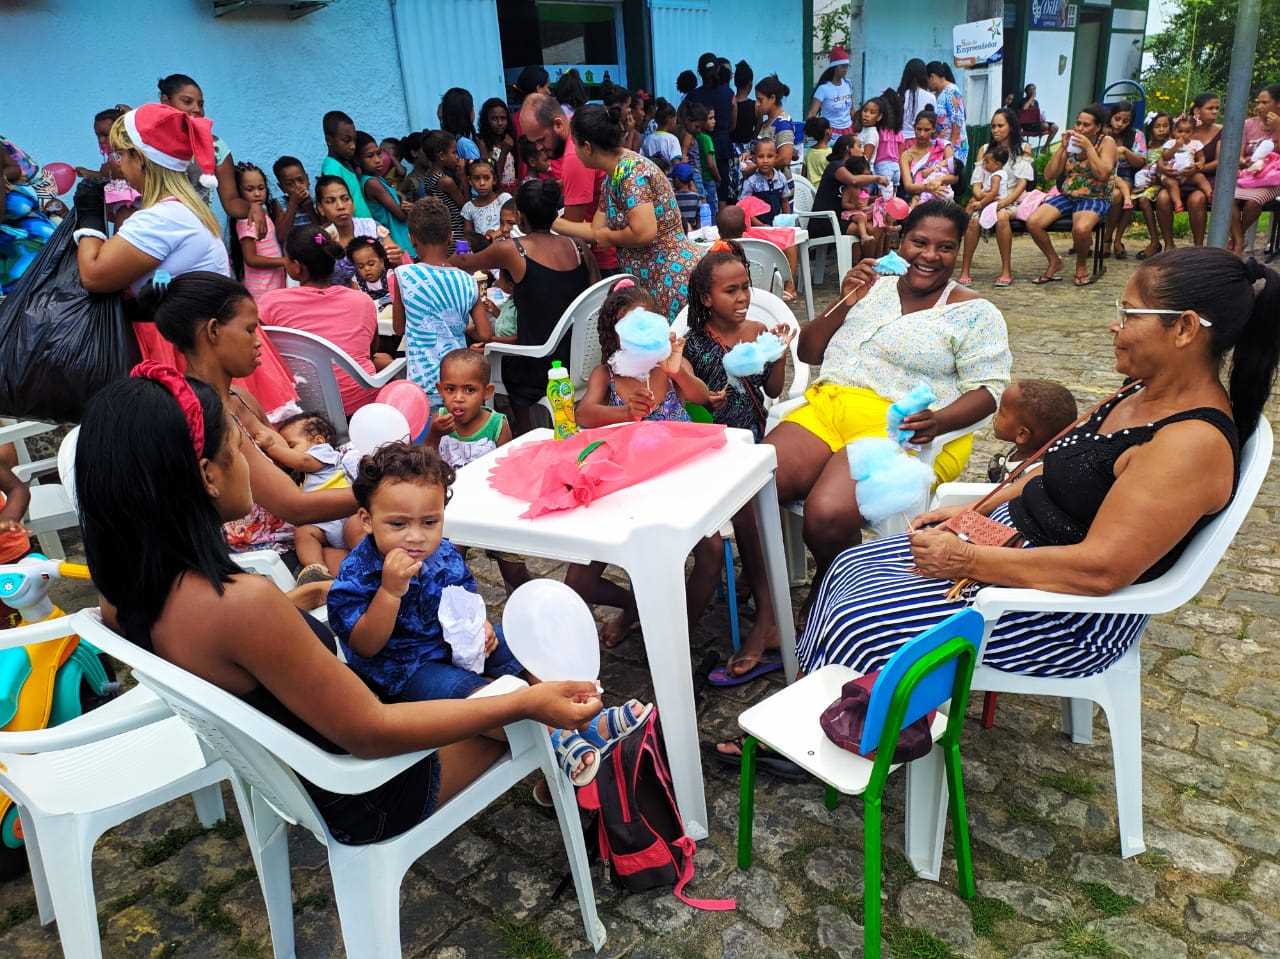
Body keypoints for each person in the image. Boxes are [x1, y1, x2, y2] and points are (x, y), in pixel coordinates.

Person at [77, 369, 602, 846]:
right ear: (206, 475)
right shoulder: (242, 607)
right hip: (370, 790)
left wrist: (294, 604)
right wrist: (522, 705)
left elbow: (231, 654)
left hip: (297, 778)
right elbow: (370, 731)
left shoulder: (127, 593)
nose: (248, 467)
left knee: (481, 674)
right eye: (238, 451)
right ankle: (583, 753)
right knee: (514, 701)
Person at [790, 249, 1278, 708]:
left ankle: (844, 726)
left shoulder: (1189, 444)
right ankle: (833, 702)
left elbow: (1100, 570)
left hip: (1063, 614)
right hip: (1018, 549)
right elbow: (1061, 466)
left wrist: (967, 558)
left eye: (1129, 315)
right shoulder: (1141, 391)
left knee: (862, 618)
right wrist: (973, 512)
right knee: (850, 568)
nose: (1115, 325)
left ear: (1185, 328)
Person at [766, 200, 1011, 582]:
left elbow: (988, 390)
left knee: (827, 514)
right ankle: (770, 603)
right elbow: (808, 351)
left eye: (945, 247)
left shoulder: (976, 312)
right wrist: (845, 300)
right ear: (900, 240)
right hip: (828, 409)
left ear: (958, 251)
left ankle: (833, 594)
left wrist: (939, 420)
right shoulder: (871, 287)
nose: (930, 255)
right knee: (754, 485)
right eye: (919, 242)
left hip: (903, 427)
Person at [74, 104, 299, 420]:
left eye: (121, 156)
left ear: (140, 159)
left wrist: (89, 219)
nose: (119, 166)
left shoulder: (160, 220)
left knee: (209, 451)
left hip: (185, 356)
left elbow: (94, 274)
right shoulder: (183, 211)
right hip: (203, 344)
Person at [145, 271, 358, 560]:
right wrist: (381, 492)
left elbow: (289, 473)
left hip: (297, 532)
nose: (258, 342)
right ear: (213, 331)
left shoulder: (240, 399)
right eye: (249, 330)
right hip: (256, 553)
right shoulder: (208, 415)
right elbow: (293, 506)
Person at [567, 279, 719, 646]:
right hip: (626, 480)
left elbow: (703, 397)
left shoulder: (664, 368)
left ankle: (677, 634)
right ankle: (637, 606)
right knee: (579, 581)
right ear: (615, 334)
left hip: (679, 473)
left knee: (711, 552)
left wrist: (676, 367)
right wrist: (623, 413)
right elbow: (584, 413)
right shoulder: (608, 374)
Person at [449, 179, 596, 434]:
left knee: (497, 359)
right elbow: (592, 294)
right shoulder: (579, 247)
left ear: (519, 216)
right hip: (583, 357)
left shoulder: (513, 250)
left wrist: (438, 254)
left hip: (539, 363)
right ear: (554, 214)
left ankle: (523, 433)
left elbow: (466, 263)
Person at [549, 104, 701, 322]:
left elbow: (644, 232)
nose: (573, 153)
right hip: (653, 280)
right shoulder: (614, 174)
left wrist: (608, 237)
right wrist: (552, 223)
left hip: (670, 279)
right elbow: (596, 229)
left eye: (574, 145)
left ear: (587, 147)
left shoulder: (630, 172)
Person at [258, 227, 392, 416]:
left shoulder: (270, 303)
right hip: (362, 408)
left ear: (296, 266)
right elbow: (369, 353)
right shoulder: (362, 301)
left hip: (303, 411)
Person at [394, 197, 493, 401]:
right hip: (458, 380)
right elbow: (484, 333)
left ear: (412, 238)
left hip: (423, 383)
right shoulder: (468, 280)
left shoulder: (403, 276)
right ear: (450, 237)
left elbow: (398, 328)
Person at [518, 93, 620, 278]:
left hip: (605, 260)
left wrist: (544, 219)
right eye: (534, 143)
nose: (539, 148)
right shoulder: (578, 131)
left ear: (558, 124)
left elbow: (576, 228)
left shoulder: (575, 156)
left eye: (541, 140)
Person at [155, 74, 266, 237]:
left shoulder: (216, 147)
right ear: (165, 102)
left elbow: (231, 203)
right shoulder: (150, 143)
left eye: (201, 104)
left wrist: (253, 207)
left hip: (199, 232)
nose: (197, 109)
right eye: (187, 101)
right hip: (158, 232)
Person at [1026, 104, 1117, 287]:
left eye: (1086, 125)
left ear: (1098, 127)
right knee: (1034, 222)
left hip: (1095, 196)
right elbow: (1049, 175)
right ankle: (1054, 260)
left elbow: (1103, 174)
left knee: (1081, 229)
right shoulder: (1071, 143)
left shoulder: (1106, 142)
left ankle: (1081, 264)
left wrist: (1089, 148)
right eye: (1078, 123)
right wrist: (1062, 148)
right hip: (1069, 194)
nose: (1080, 128)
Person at [265, 411, 361, 580]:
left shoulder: (323, 453)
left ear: (318, 440)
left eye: (291, 446)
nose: (287, 452)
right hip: (323, 524)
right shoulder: (301, 475)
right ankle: (316, 569)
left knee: (356, 528)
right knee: (303, 533)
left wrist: (273, 448)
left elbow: (303, 461)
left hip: (344, 513)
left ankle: (370, 557)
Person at [957, 108, 1033, 287]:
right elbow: (976, 181)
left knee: (1002, 217)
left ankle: (1006, 269)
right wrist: (979, 195)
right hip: (987, 197)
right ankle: (965, 269)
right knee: (974, 220)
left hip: (1012, 198)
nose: (995, 130)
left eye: (1000, 126)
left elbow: (1022, 183)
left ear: (1011, 127)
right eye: (993, 126)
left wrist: (1004, 202)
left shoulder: (1023, 149)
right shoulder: (985, 150)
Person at [1154, 92, 1222, 249]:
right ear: (1197, 111)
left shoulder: (1220, 132)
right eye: (1210, 108)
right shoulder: (1181, 128)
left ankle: (1198, 246)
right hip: (1175, 177)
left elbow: (1217, 161)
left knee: (1197, 200)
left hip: (1200, 177)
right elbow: (1162, 151)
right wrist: (1162, 166)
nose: (1214, 112)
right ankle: (1169, 244)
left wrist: (1198, 167)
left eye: (1217, 108)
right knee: (1163, 198)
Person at [316, 175, 401, 288]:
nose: (340, 206)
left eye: (345, 199)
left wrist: (396, 257)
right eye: (330, 201)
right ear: (320, 208)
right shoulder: (320, 240)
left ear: (352, 202)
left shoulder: (371, 227)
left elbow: (396, 261)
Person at [986, 379, 1079, 482]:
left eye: (1001, 412)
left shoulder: (1030, 477)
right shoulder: (1022, 450)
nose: (995, 414)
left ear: (1022, 434)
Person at [1229, 85, 1280, 255]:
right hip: (1247, 176)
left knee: (1253, 202)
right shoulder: (1249, 124)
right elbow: (1239, 152)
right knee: (1228, 199)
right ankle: (1239, 240)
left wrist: (1278, 128)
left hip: (1272, 180)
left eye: (1265, 102)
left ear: (1278, 104)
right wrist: (1245, 162)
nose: (1259, 106)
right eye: (1258, 102)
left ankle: (1237, 241)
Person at [75, 106, 139, 230]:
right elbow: (108, 175)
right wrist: (89, 173)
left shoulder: (130, 153)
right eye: (97, 135)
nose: (101, 139)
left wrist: (91, 174)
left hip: (131, 207)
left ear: (122, 132)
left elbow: (113, 172)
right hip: (121, 208)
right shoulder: (113, 155)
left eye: (105, 134)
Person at [230, 161, 287, 300]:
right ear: (238, 192)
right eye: (250, 189)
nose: (257, 194)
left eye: (261, 188)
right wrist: (284, 261)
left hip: (273, 283)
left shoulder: (264, 214)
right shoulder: (246, 219)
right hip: (261, 288)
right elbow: (251, 258)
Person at [1102, 101, 1149, 259]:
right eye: (1117, 118)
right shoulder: (1102, 132)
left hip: (1125, 173)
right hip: (1101, 173)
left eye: (1125, 121)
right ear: (1111, 116)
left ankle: (1117, 239)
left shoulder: (1136, 135)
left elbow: (1141, 161)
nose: (1120, 124)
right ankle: (1107, 238)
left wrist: (1126, 152)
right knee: (1117, 195)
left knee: (1127, 196)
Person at [686, 52, 737, 196]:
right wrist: (724, 130)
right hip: (722, 145)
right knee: (722, 193)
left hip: (698, 148)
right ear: (718, 70)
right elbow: (733, 123)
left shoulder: (693, 96)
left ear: (699, 72)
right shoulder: (729, 93)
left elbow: (683, 118)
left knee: (701, 192)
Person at [355, 131, 414, 257]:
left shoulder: (377, 178)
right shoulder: (372, 183)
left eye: (378, 153)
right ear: (358, 160)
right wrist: (409, 208)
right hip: (397, 242)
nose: (377, 160)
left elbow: (394, 195)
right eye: (370, 156)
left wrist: (401, 198)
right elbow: (401, 216)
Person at [320, 110, 373, 220]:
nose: (353, 146)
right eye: (346, 140)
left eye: (354, 140)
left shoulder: (346, 163)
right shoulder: (332, 169)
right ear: (329, 140)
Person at [899, 109, 956, 205]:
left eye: (927, 130)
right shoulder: (906, 155)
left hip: (943, 198)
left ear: (934, 129)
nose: (922, 134)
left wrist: (940, 180)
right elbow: (908, 186)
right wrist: (927, 188)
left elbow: (955, 177)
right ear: (914, 128)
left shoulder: (943, 147)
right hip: (918, 201)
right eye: (919, 129)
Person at [420, 131, 467, 244]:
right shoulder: (446, 181)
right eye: (454, 152)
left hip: (444, 229)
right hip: (456, 231)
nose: (457, 157)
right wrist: (462, 176)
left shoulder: (428, 175)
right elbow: (464, 205)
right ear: (441, 155)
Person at [1159, 116, 1213, 213]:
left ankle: (1210, 194)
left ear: (1192, 132)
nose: (1183, 134)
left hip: (1188, 174)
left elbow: (1201, 157)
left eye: (1187, 132)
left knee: (1200, 177)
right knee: (1171, 184)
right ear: (1174, 132)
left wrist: (1200, 163)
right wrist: (1176, 147)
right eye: (1180, 131)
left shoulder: (1196, 144)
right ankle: (1178, 203)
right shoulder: (1170, 143)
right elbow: (1165, 157)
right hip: (1172, 174)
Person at [749, 75, 795, 188]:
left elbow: (785, 158)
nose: (757, 104)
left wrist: (754, 168)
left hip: (778, 189)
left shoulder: (782, 124)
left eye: (760, 100)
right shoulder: (766, 124)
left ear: (772, 98)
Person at [460, 159, 512, 249]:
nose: (482, 183)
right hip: (484, 255)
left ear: (494, 179)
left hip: (507, 249)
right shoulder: (468, 207)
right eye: (476, 178)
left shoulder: (504, 199)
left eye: (486, 178)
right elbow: (468, 237)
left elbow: (514, 224)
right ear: (470, 181)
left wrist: (494, 234)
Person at [926, 61, 967, 167]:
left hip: (954, 149)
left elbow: (957, 122)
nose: (927, 85)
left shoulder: (951, 92)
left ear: (932, 77)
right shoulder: (937, 94)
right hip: (942, 147)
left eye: (927, 81)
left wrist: (951, 148)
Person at [729, 60, 759, 202]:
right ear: (750, 84)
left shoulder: (730, 103)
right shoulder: (755, 106)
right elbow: (758, 129)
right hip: (747, 151)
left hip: (731, 150)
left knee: (733, 188)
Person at [741, 139, 791, 224]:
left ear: (776, 157)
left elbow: (785, 202)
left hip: (776, 226)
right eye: (761, 156)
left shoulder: (781, 178)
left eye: (770, 156)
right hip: (756, 228)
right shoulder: (752, 181)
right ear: (754, 158)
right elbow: (744, 208)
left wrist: (787, 222)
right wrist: (760, 225)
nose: (765, 161)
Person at [809, 47, 855, 136]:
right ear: (834, 68)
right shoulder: (823, 89)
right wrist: (806, 133)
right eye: (842, 66)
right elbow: (812, 113)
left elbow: (852, 109)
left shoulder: (848, 84)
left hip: (848, 130)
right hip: (830, 133)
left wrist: (858, 126)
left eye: (847, 66)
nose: (845, 70)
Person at [476, 97, 518, 194]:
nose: (500, 123)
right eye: (494, 119)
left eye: (503, 118)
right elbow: (491, 175)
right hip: (497, 195)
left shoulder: (509, 139)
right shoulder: (483, 144)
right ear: (486, 121)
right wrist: (504, 151)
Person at [272, 155, 316, 236]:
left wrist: (310, 209)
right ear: (282, 188)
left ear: (307, 179)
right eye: (290, 184)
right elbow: (281, 236)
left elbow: (323, 229)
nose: (298, 186)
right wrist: (293, 204)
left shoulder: (315, 199)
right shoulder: (280, 203)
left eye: (301, 180)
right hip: (293, 247)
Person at [438, 87, 482, 165]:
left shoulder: (444, 139)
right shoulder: (466, 145)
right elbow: (478, 171)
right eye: (472, 108)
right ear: (467, 113)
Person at [347, 235, 394, 304]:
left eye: (371, 264)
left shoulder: (390, 276)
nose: (367, 269)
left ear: (381, 261)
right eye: (361, 267)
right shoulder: (356, 282)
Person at [896, 59, 936, 138]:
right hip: (922, 140)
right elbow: (934, 121)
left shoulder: (899, 95)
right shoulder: (930, 97)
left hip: (901, 141)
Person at [642, 99, 682, 165]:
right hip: (667, 175)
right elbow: (676, 164)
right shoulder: (673, 140)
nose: (676, 123)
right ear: (670, 119)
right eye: (675, 119)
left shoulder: (647, 139)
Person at [671, 163, 702, 232]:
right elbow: (698, 220)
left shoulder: (672, 197)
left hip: (677, 232)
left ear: (677, 180)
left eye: (673, 178)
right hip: (692, 232)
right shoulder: (696, 197)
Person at [803, 116, 832, 184]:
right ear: (827, 132)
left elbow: (803, 175)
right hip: (824, 191)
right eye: (831, 128)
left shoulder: (808, 152)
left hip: (811, 190)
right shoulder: (830, 153)